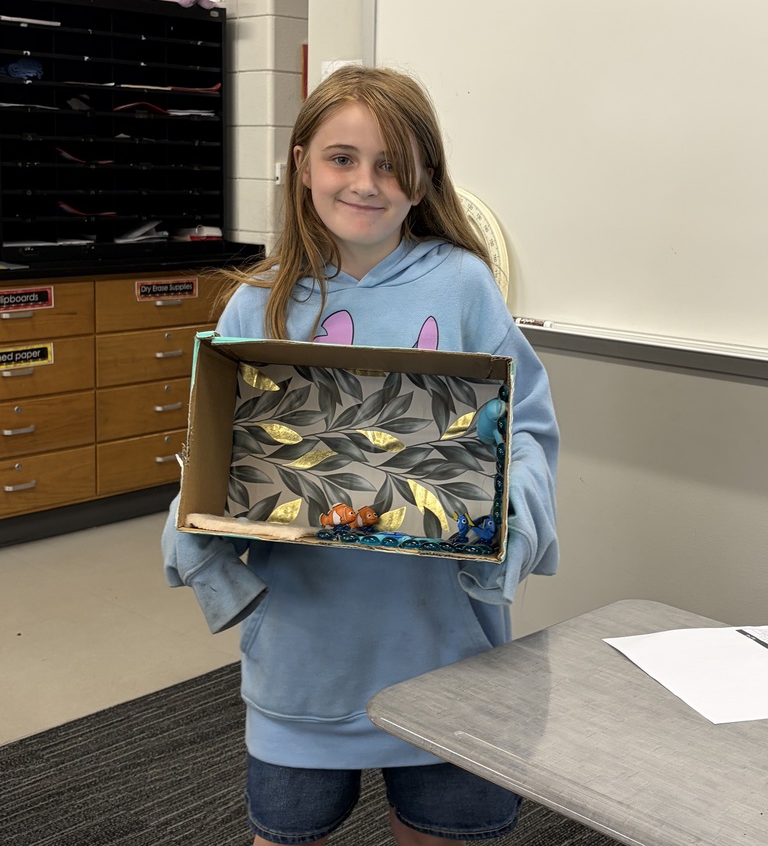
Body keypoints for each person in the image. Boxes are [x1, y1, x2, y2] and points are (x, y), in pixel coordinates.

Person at [162, 64, 559, 846]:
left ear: (424, 179)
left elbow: (533, 431)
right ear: (303, 162)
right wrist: (203, 528)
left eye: (392, 164)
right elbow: (213, 455)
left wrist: (505, 509)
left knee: (447, 829)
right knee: (287, 832)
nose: (366, 183)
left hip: (447, 642)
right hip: (304, 652)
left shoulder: (465, 287)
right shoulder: (257, 303)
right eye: (343, 158)